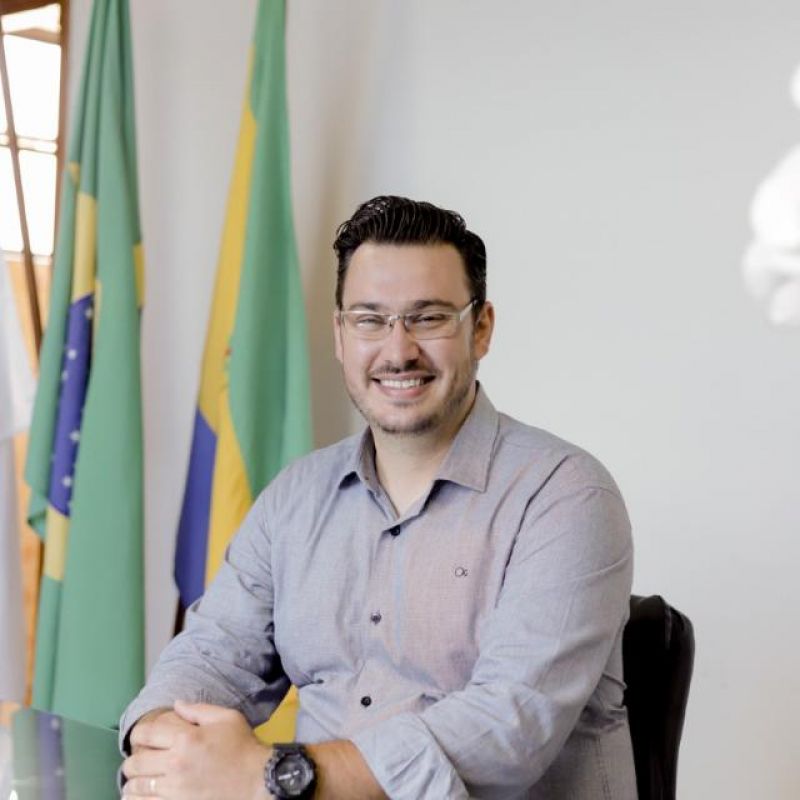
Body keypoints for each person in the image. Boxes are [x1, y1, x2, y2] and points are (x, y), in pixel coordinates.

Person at [120, 196, 637, 799]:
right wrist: (164, 740)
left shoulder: (566, 497)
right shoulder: (295, 499)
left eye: (429, 318)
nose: (398, 351)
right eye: (370, 320)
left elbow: (508, 726)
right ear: (340, 334)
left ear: (481, 329)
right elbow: (210, 656)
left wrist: (276, 778)